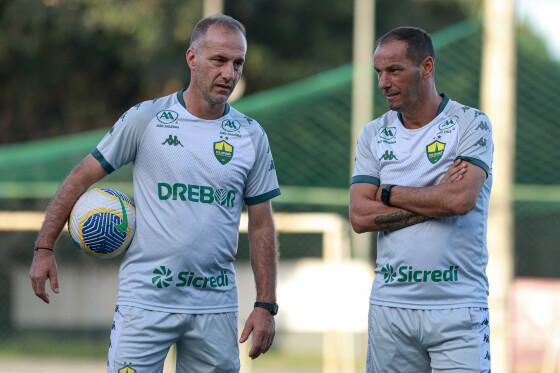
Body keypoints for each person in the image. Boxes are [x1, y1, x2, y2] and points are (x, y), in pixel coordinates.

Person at [29, 14, 280, 373]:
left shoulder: (251, 135)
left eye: (238, 63)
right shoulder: (146, 119)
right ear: (192, 59)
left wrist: (265, 304)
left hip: (215, 306)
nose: (229, 73)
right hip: (145, 301)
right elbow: (79, 178)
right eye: (219, 61)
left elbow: (261, 224)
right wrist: (44, 247)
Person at [349, 27, 493, 372]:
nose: (383, 82)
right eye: (378, 72)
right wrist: (435, 199)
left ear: (426, 67)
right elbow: (359, 216)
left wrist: (388, 193)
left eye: (394, 70)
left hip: (459, 306)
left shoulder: (471, 123)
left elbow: (460, 199)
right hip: (390, 308)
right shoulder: (373, 134)